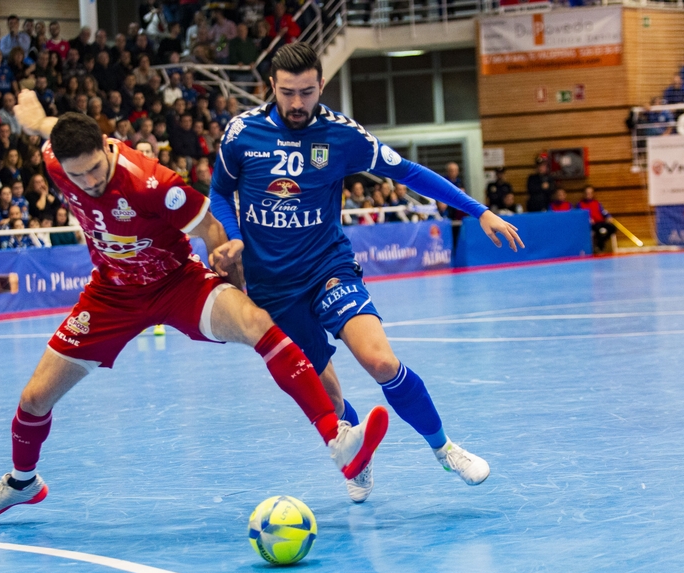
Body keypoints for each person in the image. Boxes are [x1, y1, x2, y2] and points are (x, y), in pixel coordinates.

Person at [0, 104, 388, 521]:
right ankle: (23, 484)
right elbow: (48, 131)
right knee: (35, 398)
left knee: (258, 323)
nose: (89, 182)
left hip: (177, 282)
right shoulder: (57, 160)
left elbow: (211, 229)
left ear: (106, 149)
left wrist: (234, 282)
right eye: (78, 175)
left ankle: (338, 440)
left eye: (95, 169)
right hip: (113, 293)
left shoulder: (153, 183)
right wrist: (37, 120)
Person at [209, 44, 524, 503]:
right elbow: (220, 192)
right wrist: (233, 235)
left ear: (322, 85)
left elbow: (410, 172)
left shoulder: (342, 135)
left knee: (379, 361)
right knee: (329, 400)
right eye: (288, 93)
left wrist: (479, 211)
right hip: (271, 286)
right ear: (271, 87)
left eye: (308, 92)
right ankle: (356, 458)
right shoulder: (242, 134)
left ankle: (445, 449)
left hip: (327, 267)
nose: (298, 104)